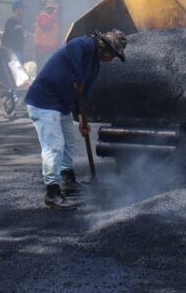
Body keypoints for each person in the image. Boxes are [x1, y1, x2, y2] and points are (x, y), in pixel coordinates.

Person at [25, 29, 127, 210]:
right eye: (114, 55)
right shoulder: (86, 44)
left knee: (68, 143)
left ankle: (68, 180)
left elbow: (84, 93)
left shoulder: (95, 65)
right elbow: (72, 48)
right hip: (44, 101)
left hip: (61, 104)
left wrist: (82, 119)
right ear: (106, 49)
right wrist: (78, 75)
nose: (112, 59)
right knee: (54, 146)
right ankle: (52, 192)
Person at [33, 0, 60, 67]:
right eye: (53, 9)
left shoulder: (51, 18)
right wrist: (55, 14)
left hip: (49, 50)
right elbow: (47, 25)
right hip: (44, 51)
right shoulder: (43, 16)